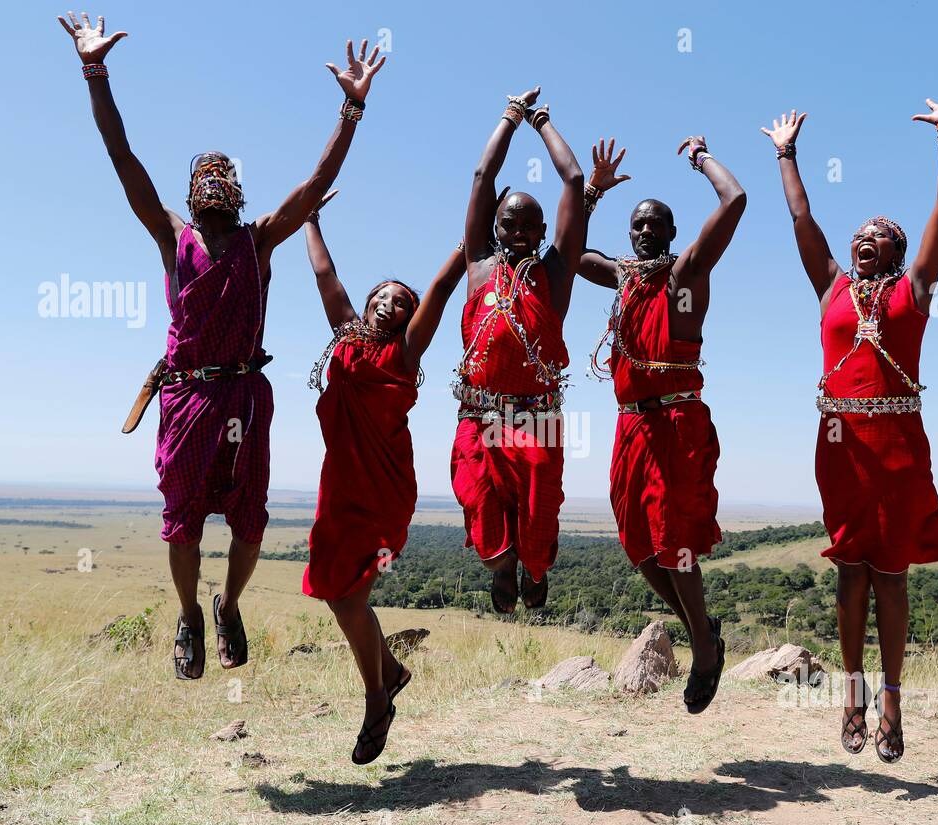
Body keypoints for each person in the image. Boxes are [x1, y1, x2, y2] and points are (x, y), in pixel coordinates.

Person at [59, 10, 385, 678]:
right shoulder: (170, 235)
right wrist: (95, 71)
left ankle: (229, 606)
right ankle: (187, 617)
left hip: (245, 393)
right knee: (181, 521)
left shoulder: (258, 240)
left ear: (235, 189)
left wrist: (350, 109)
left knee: (251, 521)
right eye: (203, 174)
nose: (213, 181)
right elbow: (122, 156)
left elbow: (317, 184)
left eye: (222, 173)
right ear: (191, 190)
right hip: (185, 398)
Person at [761, 85, 938, 761]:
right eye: (857, 237)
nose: (861, 242)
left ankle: (893, 701)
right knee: (850, 570)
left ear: (898, 252)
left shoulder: (914, 292)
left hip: (900, 443)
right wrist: (787, 154)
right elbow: (801, 219)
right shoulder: (830, 288)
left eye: (875, 238)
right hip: (839, 443)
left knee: (892, 575)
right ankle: (850, 693)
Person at [298, 188, 470, 764]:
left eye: (401, 302)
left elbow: (443, 290)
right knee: (333, 593)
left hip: (384, 498)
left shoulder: (405, 355)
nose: (389, 304)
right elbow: (326, 276)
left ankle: (378, 699)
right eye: (382, 295)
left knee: (352, 601)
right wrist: (310, 219)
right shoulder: (345, 337)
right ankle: (391, 673)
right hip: (337, 490)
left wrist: (472, 238)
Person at [580, 136, 746, 714]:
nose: (646, 232)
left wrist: (701, 157)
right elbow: (569, 248)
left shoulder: (685, 274)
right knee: (639, 548)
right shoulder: (623, 277)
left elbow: (736, 199)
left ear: (672, 236)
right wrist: (593, 190)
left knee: (674, 542)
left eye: (657, 225)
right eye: (638, 225)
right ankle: (704, 631)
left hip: (676, 421)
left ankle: (703, 646)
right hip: (629, 428)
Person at [452, 88, 585, 613]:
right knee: (478, 499)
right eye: (510, 222)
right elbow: (483, 179)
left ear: (543, 232)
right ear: (495, 228)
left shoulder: (555, 273)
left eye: (531, 224)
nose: (521, 231)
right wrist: (508, 117)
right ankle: (501, 567)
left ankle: (534, 567)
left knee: (539, 511)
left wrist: (542, 120)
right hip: (478, 412)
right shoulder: (479, 265)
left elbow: (573, 181)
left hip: (539, 418)